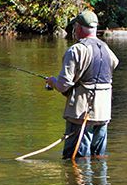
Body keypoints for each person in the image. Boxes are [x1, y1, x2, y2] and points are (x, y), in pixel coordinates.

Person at [44, 10, 118, 160]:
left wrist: (52, 81)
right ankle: (100, 184)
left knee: (77, 160)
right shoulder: (106, 49)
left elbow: (63, 85)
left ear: (78, 28)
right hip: (103, 113)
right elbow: (114, 64)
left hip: (81, 114)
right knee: (99, 158)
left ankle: (75, 184)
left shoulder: (76, 50)